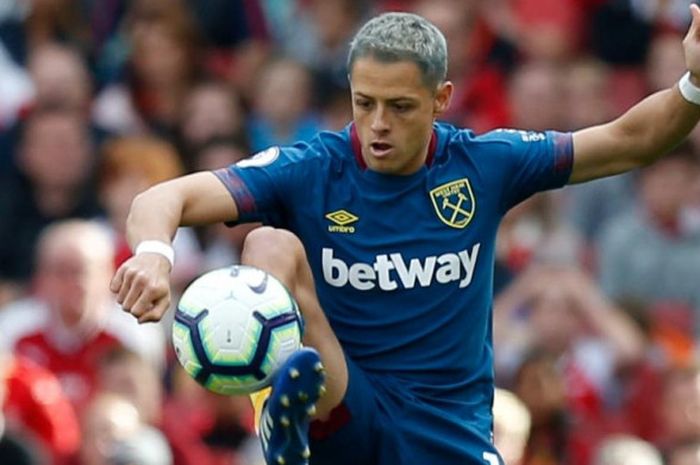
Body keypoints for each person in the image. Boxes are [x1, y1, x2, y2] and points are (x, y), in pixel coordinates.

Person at [111, 9, 700, 465]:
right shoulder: (313, 167)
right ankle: (279, 414)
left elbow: (629, 140)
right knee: (269, 246)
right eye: (363, 103)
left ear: (441, 100)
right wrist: (153, 254)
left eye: (399, 106)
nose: (377, 125)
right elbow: (165, 198)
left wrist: (694, 83)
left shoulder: (484, 164)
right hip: (342, 401)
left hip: (449, 430)